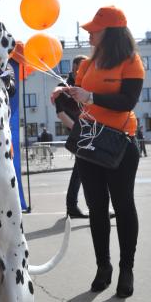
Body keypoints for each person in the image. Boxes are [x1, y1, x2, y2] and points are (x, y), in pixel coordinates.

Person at [52, 6, 145, 298]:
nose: (89, 33)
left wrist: (91, 96)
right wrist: (67, 93)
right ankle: (103, 267)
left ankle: (126, 268)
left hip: (119, 143)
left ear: (111, 32)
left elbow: (127, 101)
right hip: (89, 142)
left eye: (95, 29)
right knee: (96, 208)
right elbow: (82, 100)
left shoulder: (131, 62)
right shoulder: (87, 64)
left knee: (123, 205)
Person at [53, 55, 89, 218]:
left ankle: (74, 206)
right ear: (74, 68)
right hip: (78, 134)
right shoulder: (63, 88)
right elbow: (61, 114)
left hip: (91, 131)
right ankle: (77, 206)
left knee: (82, 169)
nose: (84, 71)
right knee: (83, 169)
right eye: (81, 67)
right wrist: (79, 130)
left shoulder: (86, 85)